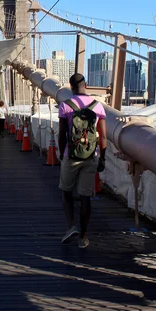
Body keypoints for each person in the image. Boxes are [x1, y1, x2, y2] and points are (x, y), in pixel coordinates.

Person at [58, 73, 107, 249]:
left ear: (71, 87)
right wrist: (103, 157)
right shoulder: (98, 106)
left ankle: (71, 226)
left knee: (66, 191)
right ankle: (83, 238)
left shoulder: (65, 105)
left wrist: (61, 154)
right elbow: (103, 137)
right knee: (85, 196)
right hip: (90, 156)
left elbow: (62, 133)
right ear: (86, 84)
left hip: (70, 155)